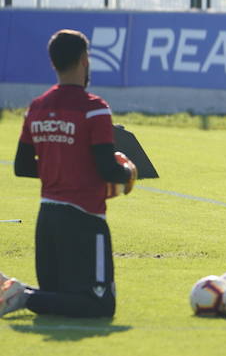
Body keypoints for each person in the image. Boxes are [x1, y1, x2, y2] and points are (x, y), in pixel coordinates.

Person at [1, 29, 137, 319]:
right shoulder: (95, 109)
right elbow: (107, 169)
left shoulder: (36, 108)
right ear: (84, 59)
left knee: (60, 299)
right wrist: (128, 172)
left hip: (47, 219)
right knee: (100, 306)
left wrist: (64, 167)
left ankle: (10, 288)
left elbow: (23, 166)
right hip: (84, 220)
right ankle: (22, 295)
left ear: (54, 63)